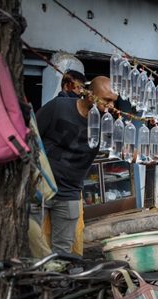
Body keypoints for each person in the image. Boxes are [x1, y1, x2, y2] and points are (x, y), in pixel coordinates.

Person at [31, 76, 117, 253]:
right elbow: (31, 135)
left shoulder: (105, 124)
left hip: (69, 193)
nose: (111, 106)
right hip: (39, 187)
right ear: (90, 94)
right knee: (31, 245)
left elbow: (126, 151)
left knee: (63, 250)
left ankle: (57, 281)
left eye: (114, 102)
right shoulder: (59, 107)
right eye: (107, 100)